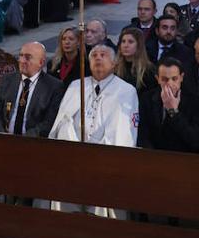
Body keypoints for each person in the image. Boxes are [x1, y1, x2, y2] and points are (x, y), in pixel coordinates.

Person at [49, 45, 140, 217]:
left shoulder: (126, 90)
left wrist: (95, 154)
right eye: (94, 56)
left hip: (105, 160)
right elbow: (63, 121)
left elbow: (122, 132)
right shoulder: (76, 86)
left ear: (114, 63)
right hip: (73, 157)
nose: (98, 58)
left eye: (103, 55)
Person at [0, 42, 64, 137]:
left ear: (41, 62)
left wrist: (25, 140)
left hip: (34, 142)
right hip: (3, 139)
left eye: (28, 57)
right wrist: (0, 134)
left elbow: (49, 121)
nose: (22, 60)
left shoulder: (53, 86)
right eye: (21, 55)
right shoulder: (7, 80)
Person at [138, 56, 199, 153]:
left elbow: (195, 140)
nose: (170, 84)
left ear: (181, 77)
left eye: (174, 79)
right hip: (153, 157)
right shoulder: (147, 99)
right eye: (164, 79)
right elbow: (143, 135)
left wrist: (173, 112)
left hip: (184, 158)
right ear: (157, 79)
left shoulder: (196, 101)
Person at [116, 27, 157, 93]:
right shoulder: (114, 68)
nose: (126, 45)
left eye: (130, 42)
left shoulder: (148, 70)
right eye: (123, 41)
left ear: (139, 45)